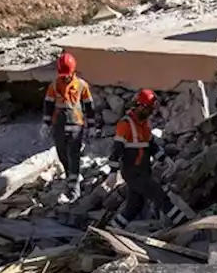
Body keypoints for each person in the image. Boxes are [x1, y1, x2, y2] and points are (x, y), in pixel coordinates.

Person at [108, 90, 186, 229]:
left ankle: (111, 230)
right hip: (133, 173)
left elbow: (151, 146)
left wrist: (165, 159)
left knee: (134, 207)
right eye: (148, 109)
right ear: (140, 106)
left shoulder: (143, 126)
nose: (150, 113)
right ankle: (184, 224)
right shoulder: (125, 124)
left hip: (143, 171)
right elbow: (116, 150)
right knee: (159, 195)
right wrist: (113, 172)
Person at [40, 52, 100, 201]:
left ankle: (74, 189)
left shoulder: (81, 85)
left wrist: (91, 125)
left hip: (75, 124)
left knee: (73, 154)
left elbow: (89, 106)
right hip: (58, 125)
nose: (65, 77)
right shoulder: (53, 86)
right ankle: (70, 176)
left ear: (73, 71)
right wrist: (46, 124)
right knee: (62, 154)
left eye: (67, 74)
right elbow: (48, 105)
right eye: (62, 74)